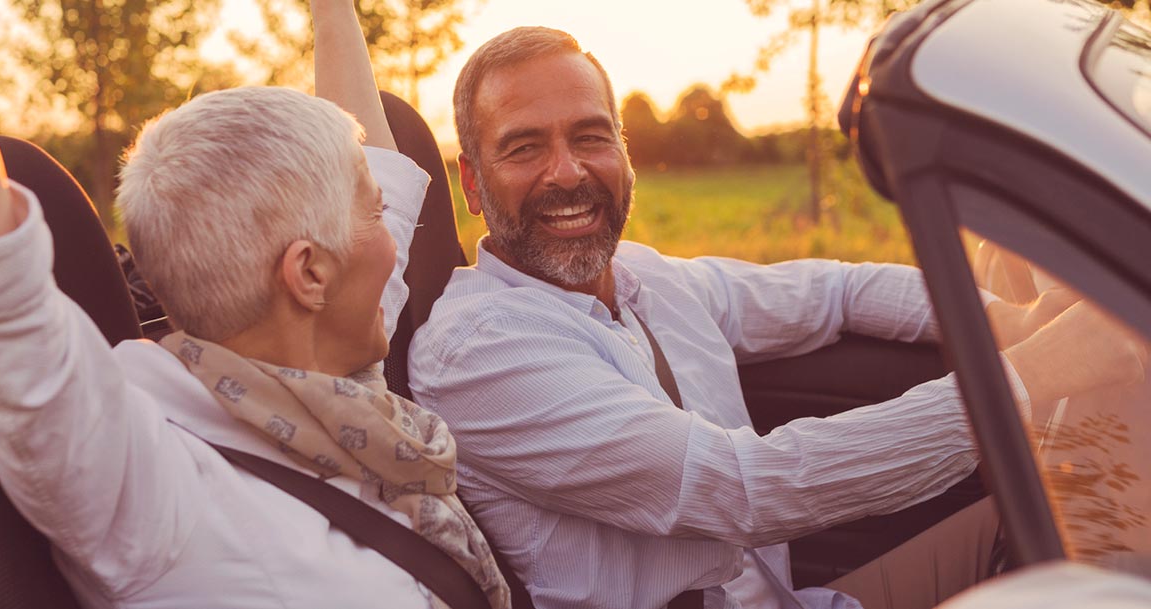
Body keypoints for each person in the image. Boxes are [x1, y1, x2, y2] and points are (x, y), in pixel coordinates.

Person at [408, 25, 1149, 609]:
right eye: (524, 147)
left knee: (1077, 520)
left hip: (797, 600)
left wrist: (1000, 319)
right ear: (472, 184)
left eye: (590, 136)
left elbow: (837, 292)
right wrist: (1031, 376)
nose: (567, 172)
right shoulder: (477, 351)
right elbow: (745, 487)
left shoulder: (650, 279)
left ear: (624, 154)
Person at [0, 0, 511, 607]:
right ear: (308, 273)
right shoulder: (151, 487)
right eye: (376, 217)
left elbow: (377, 163)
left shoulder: (337, 379)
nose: (396, 245)